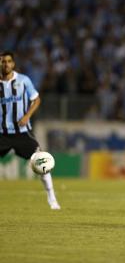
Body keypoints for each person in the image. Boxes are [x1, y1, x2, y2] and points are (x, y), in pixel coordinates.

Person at [0, 51, 61, 210]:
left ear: (13, 64)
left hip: (22, 133)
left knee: (42, 161)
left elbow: (36, 99)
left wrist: (27, 115)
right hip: (2, 134)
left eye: (8, 61)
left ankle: (52, 198)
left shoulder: (23, 80)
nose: (5, 64)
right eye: (2, 62)